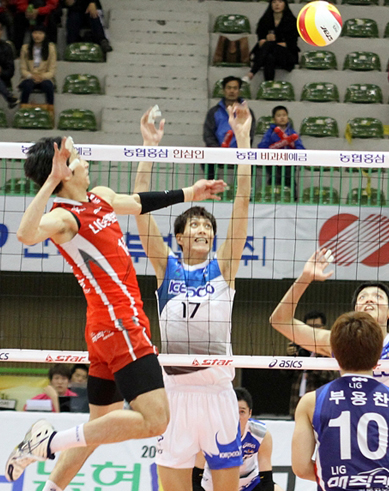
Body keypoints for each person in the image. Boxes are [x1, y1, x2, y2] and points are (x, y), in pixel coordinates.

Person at [4, 117, 226, 489]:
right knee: (157, 420)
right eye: (77, 156)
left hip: (105, 329)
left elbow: (139, 203)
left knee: (96, 429)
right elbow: (25, 235)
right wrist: (50, 182)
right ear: (64, 171)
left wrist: (191, 191)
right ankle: (48, 442)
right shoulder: (64, 217)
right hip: (120, 324)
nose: (86, 160)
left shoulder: (101, 197)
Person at [134, 103, 252, 491]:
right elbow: (139, 209)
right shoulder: (166, 268)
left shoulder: (224, 268)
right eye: (194, 224)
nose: (202, 229)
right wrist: (149, 149)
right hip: (175, 394)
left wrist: (243, 140)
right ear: (180, 238)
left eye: (207, 225)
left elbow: (242, 202)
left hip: (218, 394)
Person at [270, 242, 389, 397]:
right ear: (355, 310)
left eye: (378, 297)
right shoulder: (338, 342)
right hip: (352, 429)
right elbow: (280, 321)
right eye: (362, 297)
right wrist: (305, 278)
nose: (369, 299)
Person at [291, 311, 389, 488]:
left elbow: (301, 468)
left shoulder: (311, 402)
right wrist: (387, 472)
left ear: (335, 355)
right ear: (378, 355)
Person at [193, 387, 284, 491]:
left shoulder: (260, 434)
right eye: (233, 411)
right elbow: (195, 479)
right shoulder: (210, 434)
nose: (237, 417)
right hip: (215, 484)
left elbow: (266, 479)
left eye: (242, 412)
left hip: (249, 483)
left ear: (250, 413)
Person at [287, 311, 338, 417]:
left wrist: (311, 365)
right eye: (309, 327)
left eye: (316, 326)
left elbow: (333, 376)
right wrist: (290, 357)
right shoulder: (299, 349)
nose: (313, 330)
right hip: (296, 403)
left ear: (324, 328)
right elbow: (285, 374)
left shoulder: (330, 350)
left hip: (320, 405)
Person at [203, 76, 255, 179]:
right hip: (217, 151)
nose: (232, 91)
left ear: (239, 91)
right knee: (206, 161)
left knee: (251, 162)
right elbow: (208, 134)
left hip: (239, 151)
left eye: (235, 88)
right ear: (223, 90)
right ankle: (211, 187)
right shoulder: (213, 112)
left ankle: (245, 188)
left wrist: (240, 149)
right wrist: (218, 150)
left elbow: (250, 134)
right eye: (229, 88)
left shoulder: (247, 112)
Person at [243, 0, 298, 83]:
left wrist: (272, 43)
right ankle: (269, 84)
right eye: (274, 2)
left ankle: (251, 73)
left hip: (286, 55)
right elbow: (261, 42)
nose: (277, 4)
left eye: (280, 2)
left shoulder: (292, 21)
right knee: (269, 57)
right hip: (267, 53)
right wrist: (266, 39)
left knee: (270, 45)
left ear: (285, 4)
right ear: (271, 4)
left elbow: (291, 44)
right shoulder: (264, 20)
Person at [257, 105, 304, 191]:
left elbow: (300, 147)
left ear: (288, 118)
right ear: (274, 119)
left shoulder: (292, 133)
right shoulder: (270, 133)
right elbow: (263, 145)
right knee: (274, 179)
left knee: (289, 180)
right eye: (279, 115)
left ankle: (292, 196)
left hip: (289, 162)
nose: (282, 118)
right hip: (273, 162)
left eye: (284, 115)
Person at [18, 25, 56, 107]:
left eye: (40, 33)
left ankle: (50, 108)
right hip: (29, 77)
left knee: (48, 85)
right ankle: (23, 107)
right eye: (35, 33)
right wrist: (32, 76)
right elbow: (23, 69)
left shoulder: (51, 49)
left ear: (45, 35)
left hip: (44, 77)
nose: (37, 36)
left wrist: (41, 76)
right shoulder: (25, 48)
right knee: (28, 85)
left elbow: (52, 71)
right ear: (32, 34)